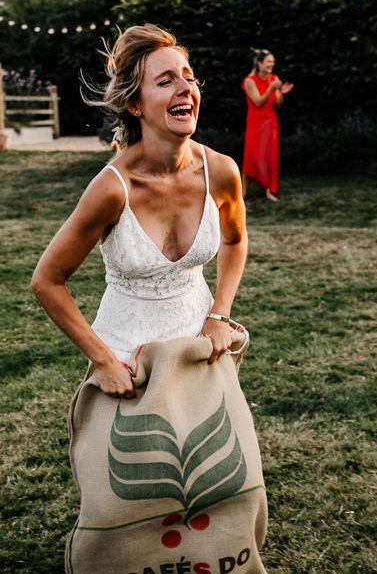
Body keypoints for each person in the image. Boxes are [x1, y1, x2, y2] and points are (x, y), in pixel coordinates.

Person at [30, 22, 247, 398]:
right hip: (129, 366)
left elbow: (235, 240)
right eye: (165, 82)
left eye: (189, 78)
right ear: (135, 104)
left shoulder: (222, 172)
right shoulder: (112, 189)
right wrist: (104, 362)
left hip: (200, 348)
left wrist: (218, 315)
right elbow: (46, 281)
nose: (185, 88)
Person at [242, 50, 293, 202]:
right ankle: (243, 191)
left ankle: (270, 190)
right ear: (259, 63)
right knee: (251, 155)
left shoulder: (274, 79)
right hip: (255, 121)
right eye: (269, 61)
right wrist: (272, 87)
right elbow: (258, 102)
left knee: (269, 156)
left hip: (270, 121)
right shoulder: (249, 81)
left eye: (273, 62)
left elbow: (277, 103)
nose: (272, 64)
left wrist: (281, 92)